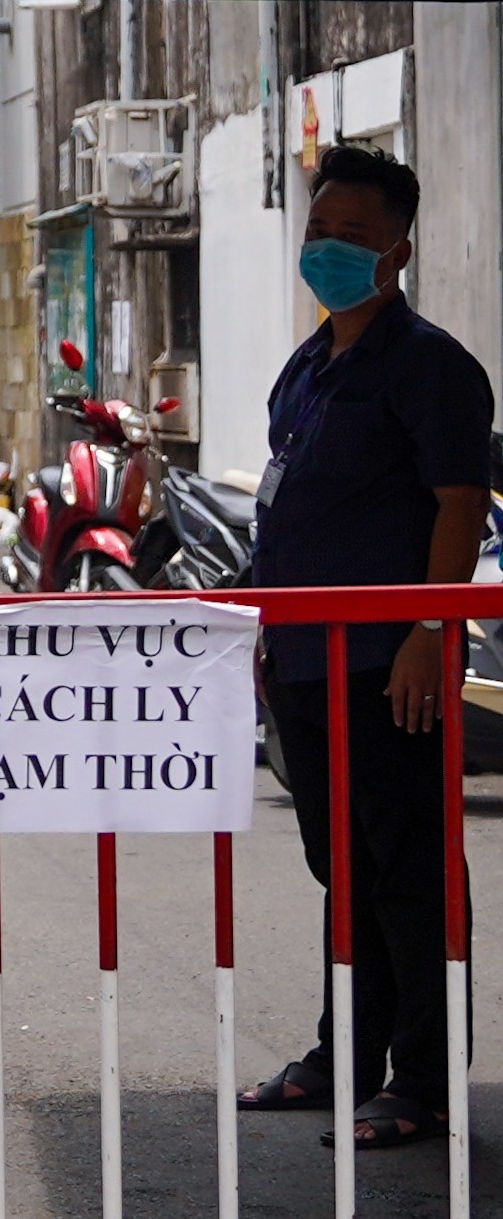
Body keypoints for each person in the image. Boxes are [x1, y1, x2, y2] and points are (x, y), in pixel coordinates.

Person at [241, 145, 492, 1148]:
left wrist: (432, 629)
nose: (329, 249)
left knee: (407, 869)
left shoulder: (431, 367)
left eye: (353, 235)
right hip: (303, 658)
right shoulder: (310, 363)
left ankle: (423, 1083)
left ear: (398, 250)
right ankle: (345, 1056)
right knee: (341, 867)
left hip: (390, 666)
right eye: (319, 230)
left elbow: (459, 504)